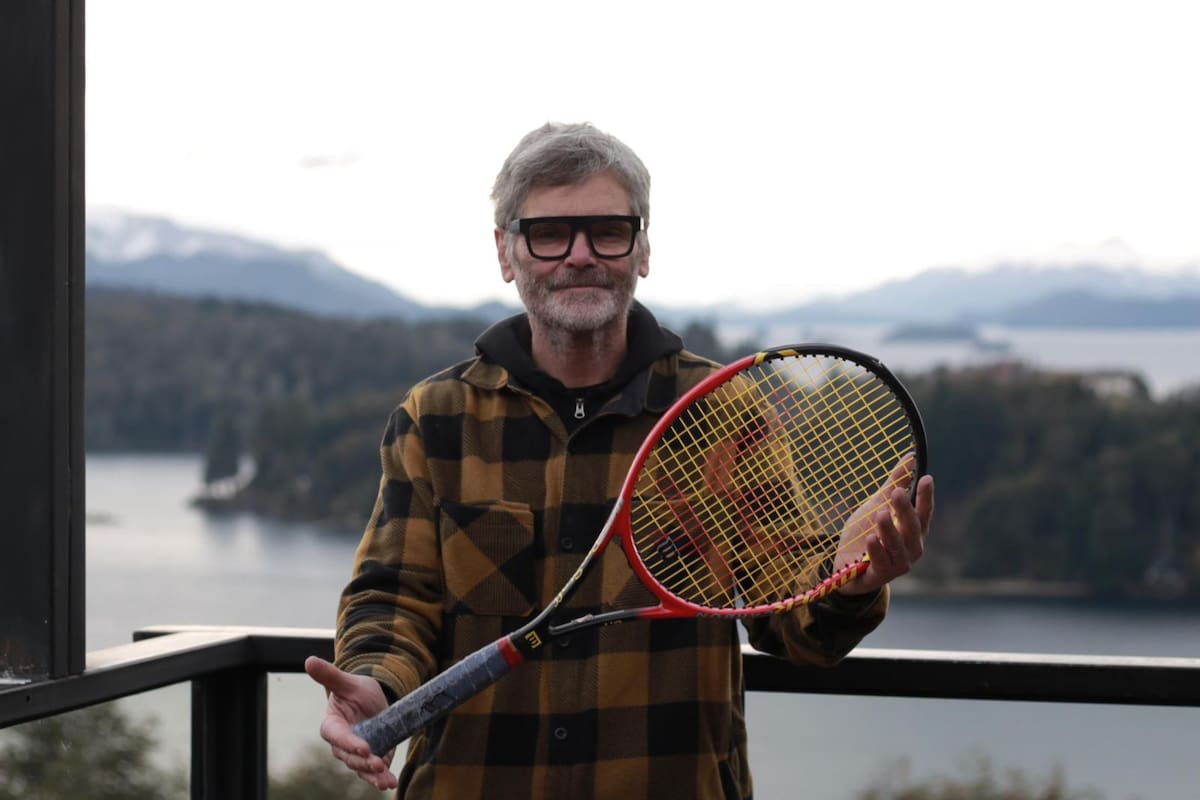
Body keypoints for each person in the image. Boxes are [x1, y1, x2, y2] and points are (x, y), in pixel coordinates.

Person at [305, 121, 935, 799]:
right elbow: (396, 597)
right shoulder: (436, 420)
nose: (580, 256)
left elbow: (790, 621)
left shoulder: (723, 410)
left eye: (609, 230)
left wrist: (850, 581)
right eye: (549, 234)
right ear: (506, 252)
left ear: (642, 250)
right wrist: (374, 678)